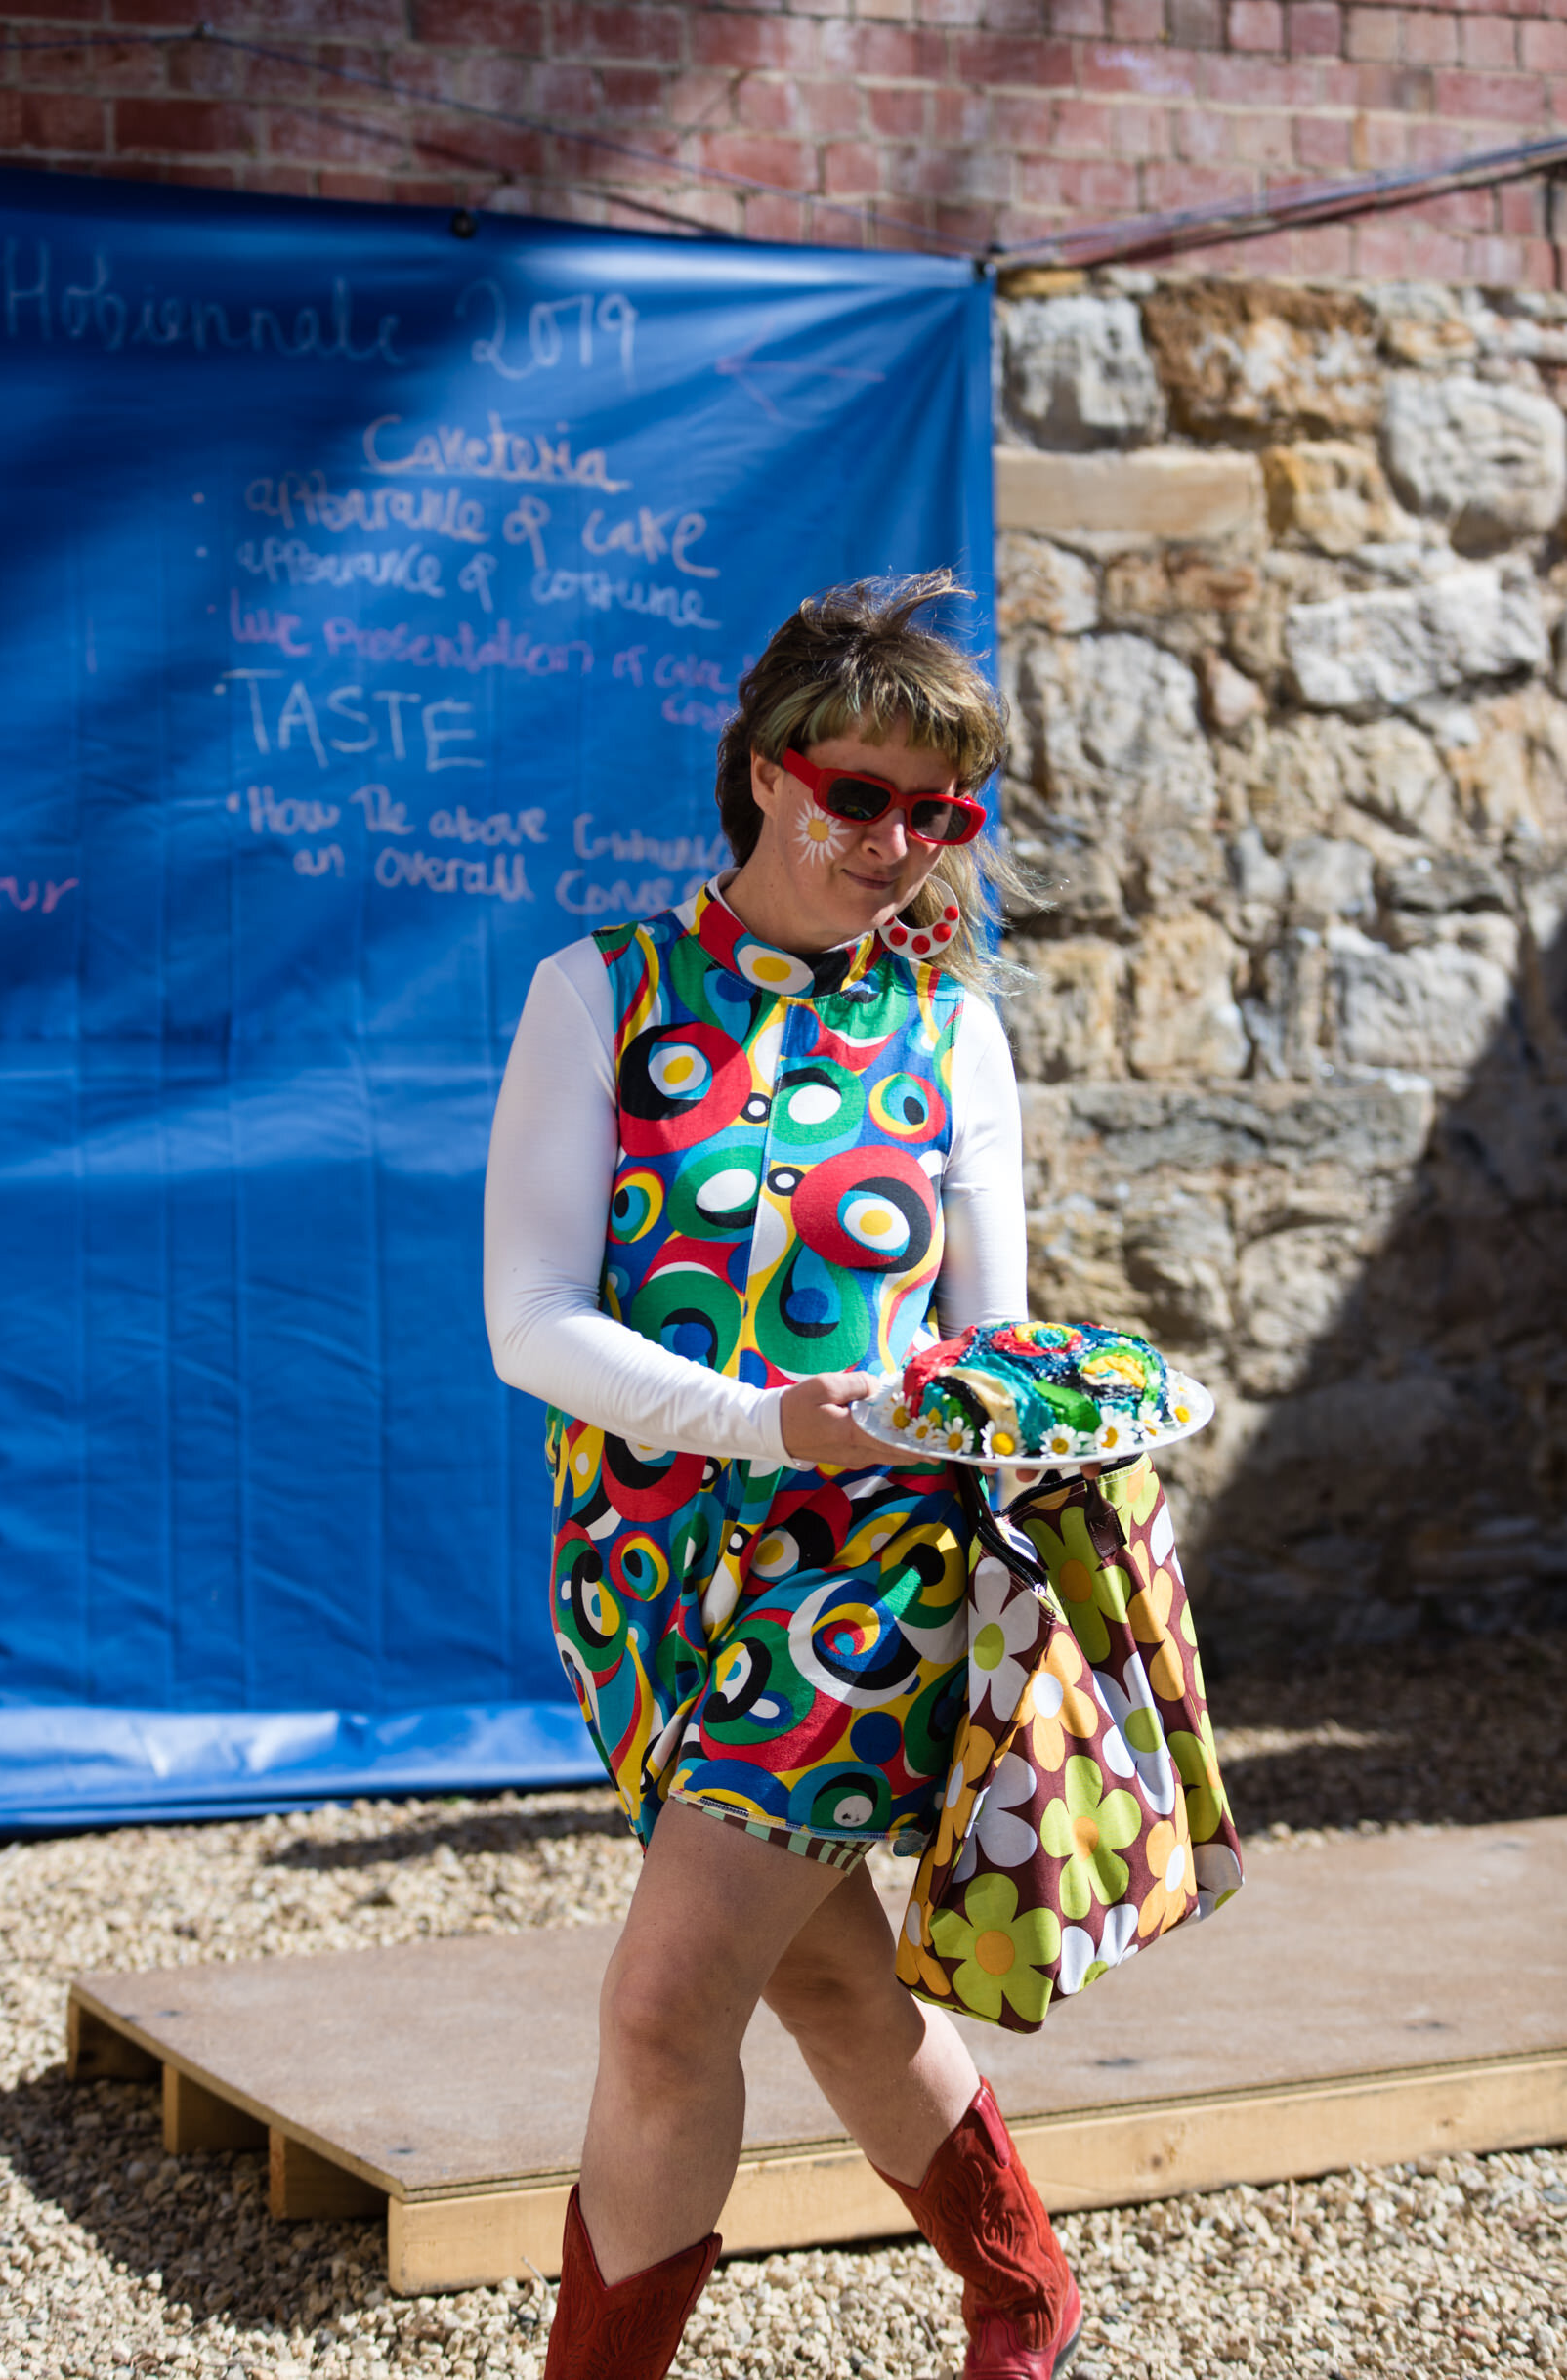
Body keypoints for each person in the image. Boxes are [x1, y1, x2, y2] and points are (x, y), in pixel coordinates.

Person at [484, 573, 1082, 2380]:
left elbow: (997, 1345)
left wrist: (1026, 1414)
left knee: (666, 2005)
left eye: (940, 812)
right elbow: (523, 1319)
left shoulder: (949, 1029)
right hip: (646, 1576)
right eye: (862, 797)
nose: (900, 845)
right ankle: (1022, 2288)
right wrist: (752, 1422)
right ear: (762, 772)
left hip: (865, 1587)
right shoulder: (599, 993)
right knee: (823, 1973)